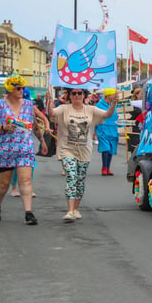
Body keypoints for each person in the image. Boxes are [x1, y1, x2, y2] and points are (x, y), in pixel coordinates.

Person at [46, 86, 118, 222]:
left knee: (80, 180)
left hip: (84, 150)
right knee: (71, 177)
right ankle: (70, 211)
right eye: (74, 93)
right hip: (67, 149)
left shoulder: (91, 109)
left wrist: (114, 102)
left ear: (84, 95)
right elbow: (52, 113)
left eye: (80, 93)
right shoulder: (64, 108)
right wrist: (49, 101)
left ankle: (76, 209)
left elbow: (107, 114)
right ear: (69, 95)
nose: (77, 95)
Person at [0, 74, 48, 225]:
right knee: (4, 183)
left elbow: (33, 126)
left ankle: (28, 213)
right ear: (10, 89)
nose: (21, 90)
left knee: (25, 180)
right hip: (5, 148)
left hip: (25, 147)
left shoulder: (28, 104)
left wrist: (43, 142)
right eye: (18, 88)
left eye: (23, 88)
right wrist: (3, 127)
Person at [95, 88, 120, 176]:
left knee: (111, 149)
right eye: (114, 94)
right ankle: (104, 167)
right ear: (108, 95)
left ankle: (108, 167)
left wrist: (122, 127)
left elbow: (119, 117)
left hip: (113, 129)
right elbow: (96, 117)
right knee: (105, 148)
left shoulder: (116, 105)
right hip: (102, 129)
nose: (115, 96)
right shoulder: (99, 105)